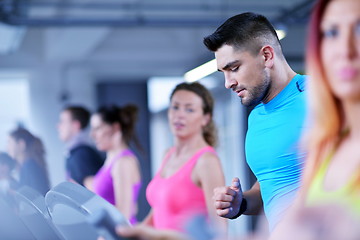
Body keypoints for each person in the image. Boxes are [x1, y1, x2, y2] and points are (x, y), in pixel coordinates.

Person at [203, 12, 308, 231]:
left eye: (234, 68)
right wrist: (240, 203)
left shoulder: (319, 97)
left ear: (267, 56)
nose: (228, 83)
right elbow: (271, 187)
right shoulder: (257, 118)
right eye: (223, 72)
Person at [119, 82, 227, 239]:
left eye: (189, 109)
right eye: (175, 107)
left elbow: (219, 231)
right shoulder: (168, 155)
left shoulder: (206, 161)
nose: (179, 115)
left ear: (205, 118)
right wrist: (129, 234)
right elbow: (158, 212)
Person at [86, 104, 142, 224]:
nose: (92, 134)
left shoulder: (123, 162)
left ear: (115, 128)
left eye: (98, 128)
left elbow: (125, 213)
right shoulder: (111, 161)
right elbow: (133, 206)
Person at [57, 105, 103, 186]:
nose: (58, 126)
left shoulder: (81, 154)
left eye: (62, 121)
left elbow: (92, 191)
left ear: (76, 125)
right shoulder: (77, 151)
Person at [7, 127, 50, 196]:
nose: (7, 147)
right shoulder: (27, 166)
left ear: (21, 144)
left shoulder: (29, 166)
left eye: (9, 142)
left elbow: (36, 196)